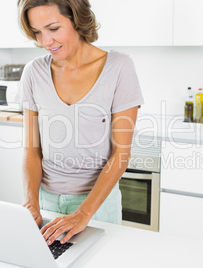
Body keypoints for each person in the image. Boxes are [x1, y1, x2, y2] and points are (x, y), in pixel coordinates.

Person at [15, 0, 144, 245]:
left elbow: (121, 153)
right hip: (47, 201)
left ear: (77, 19)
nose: (45, 41)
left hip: (97, 205)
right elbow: (31, 150)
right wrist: (31, 203)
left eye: (53, 29)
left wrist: (83, 213)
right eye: (37, 32)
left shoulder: (119, 67)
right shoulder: (33, 72)